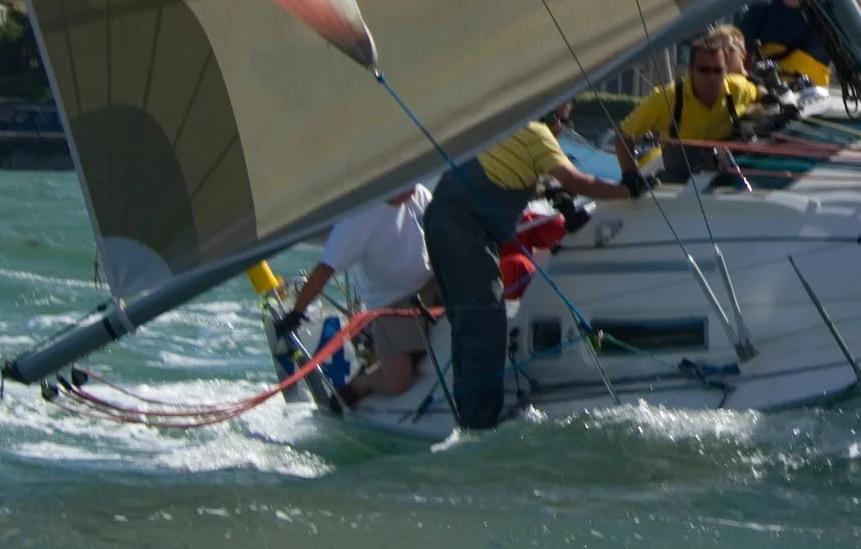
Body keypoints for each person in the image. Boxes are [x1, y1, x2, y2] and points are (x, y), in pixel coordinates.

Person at [423, 101, 639, 430]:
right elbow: (577, 180)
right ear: (555, 117)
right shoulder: (537, 133)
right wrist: (626, 189)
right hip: (463, 227)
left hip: (442, 216)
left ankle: (468, 410)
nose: (562, 128)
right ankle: (478, 423)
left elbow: (534, 179)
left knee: (468, 318)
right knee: (485, 320)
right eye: (564, 120)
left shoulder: (507, 125)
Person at [274, 184, 434, 404]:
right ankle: (362, 383)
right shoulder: (357, 221)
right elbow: (325, 269)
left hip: (431, 283)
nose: (413, 187)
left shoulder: (418, 194)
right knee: (398, 381)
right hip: (391, 303)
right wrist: (297, 313)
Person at [617, 29, 765, 183]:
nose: (711, 77)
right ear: (690, 70)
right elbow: (623, 134)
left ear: (726, 71)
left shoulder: (737, 88)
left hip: (725, 175)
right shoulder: (666, 98)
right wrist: (630, 175)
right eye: (704, 70)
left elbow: (759, 91)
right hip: (679, 180)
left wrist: (767, 98)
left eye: (717, 71)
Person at [738, 0, 833, 90]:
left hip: (814, 93)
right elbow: (738, 55)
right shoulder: (760, 11)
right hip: (768, 92)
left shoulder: (827, 16)